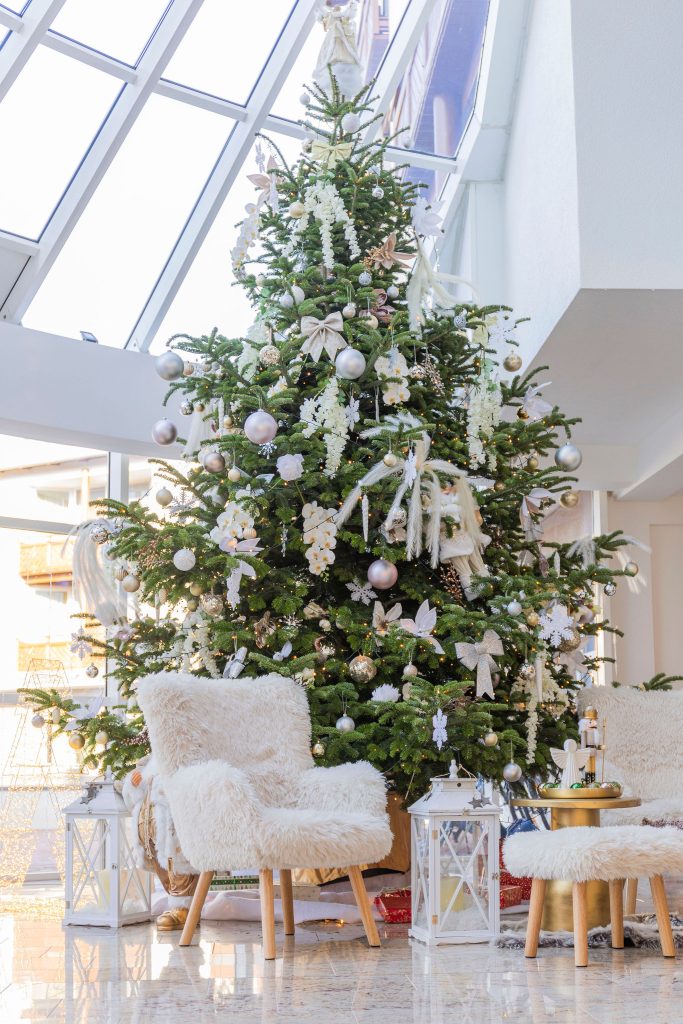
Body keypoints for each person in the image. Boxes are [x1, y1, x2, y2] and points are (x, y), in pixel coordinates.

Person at [121, 754, 199, 931]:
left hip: (172, 827)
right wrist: (134, 784)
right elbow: (135, 796)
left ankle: (183, 907)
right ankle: (179, 905)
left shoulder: (182, 756)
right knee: (162, 866)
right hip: (152, 832)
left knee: (179, 861)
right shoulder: (152, 761)